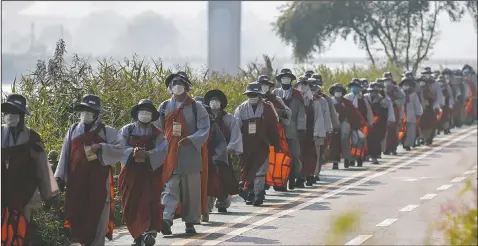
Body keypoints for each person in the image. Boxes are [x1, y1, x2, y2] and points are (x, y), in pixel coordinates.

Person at [54, 94, 125, 245]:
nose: (86, 113)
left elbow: (120, 149)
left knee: (98, 219)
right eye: (84, 110)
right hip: (76, 185)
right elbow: (64, 155)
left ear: (96, 113)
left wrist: (102, 147)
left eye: (90, 110)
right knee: (77, 220)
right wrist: (59, 178)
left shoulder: (107, 132)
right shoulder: (73, 130)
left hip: (98, 185)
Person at [156, 72, 210, 234]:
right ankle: (166, 219)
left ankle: (190, 222)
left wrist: (192, 139)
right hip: (170, 155)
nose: (177, 85)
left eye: (181, 83)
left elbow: (204, 129)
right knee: (169, 187)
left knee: (191, 191)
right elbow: (158, 130)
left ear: (187, 87)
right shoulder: (164, 107)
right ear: (170, 87)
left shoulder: (196, 107)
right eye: (174, 83)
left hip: (190, 155)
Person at [2, 94, 59, 246]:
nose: (10, 116)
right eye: (8, 111)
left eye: (15, 112)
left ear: (21, 115)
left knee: (22, 232)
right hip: (3, 194)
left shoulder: (32, 138)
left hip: (26, 194)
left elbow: (42, 168)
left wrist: (48, 195)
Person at [118, 99, 169, 246]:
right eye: (142, 112)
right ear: (137, 114)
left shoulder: (157, 133)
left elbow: (163, 149)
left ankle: (146, 233)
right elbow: (119, 146)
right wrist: (132, 152)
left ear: (152, 115)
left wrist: (148, 154)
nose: (145, 114)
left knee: (149, 202)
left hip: (149, 173)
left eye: (148, 112)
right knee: (130, 204)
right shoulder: (127, 130)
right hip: (130, 174)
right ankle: (137, 235)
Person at [234, 82, 281, 206]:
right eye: (250, 94)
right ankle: (249, 193)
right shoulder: (241, 109)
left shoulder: (267, 107)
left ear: (260, 95)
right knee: (247, 170)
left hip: (262, 144)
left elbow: (273, 127)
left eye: (255, 94)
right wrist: (236, 145)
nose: (252, 96)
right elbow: (236, 128)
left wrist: (276, 143)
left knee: (260, 170)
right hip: (246, 145)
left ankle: (258, 194)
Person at [193, 96, 232, 222]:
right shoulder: (188, 123)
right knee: (192, 187)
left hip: (208, 161)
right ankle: (195, 213)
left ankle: (205, 210)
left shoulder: (212, 124)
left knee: (208, 186)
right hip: (191, 159)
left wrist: (219, 158)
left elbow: (220, 143)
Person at [204, 89, 242, 213]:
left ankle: (223, 202)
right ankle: (206, 207)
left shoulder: (228, 118)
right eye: (212, 101)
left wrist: (230, 147)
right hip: (208, 152)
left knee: (224, 177)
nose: (214, 103)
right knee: (209, 179)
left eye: (217, 101)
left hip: (224, 152)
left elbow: (235, 134)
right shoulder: (204, 117)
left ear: (221, 103)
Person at [272, 70, 306, 190]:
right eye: (283, 78)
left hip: (293, 131)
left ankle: (293, 176)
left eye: (288, 78)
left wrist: (301, 128)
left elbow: (301, 113)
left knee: (294, 156)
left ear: (291, 80)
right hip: (278, 131)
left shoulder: (297, 94)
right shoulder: (275, 93)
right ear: (280, 79)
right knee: (279, 157)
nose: (285, 80)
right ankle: (279, 181)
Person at [257, 74, 292, 191]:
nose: (264, 87)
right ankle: (263, 183)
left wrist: (278, 112)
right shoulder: (253, 100)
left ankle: (279, 182)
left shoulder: (276, 99)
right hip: (259, 135)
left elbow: (287, 112)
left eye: (266, 85)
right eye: (262, 85)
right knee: (261, 158)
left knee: (278, 158)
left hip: (275, 133)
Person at [297, 77, 329, 185]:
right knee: (299, 155)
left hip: (311, 132)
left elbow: (319, 118)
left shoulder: (315, 102)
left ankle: (310, 175)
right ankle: (300, 177)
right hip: (299, 133)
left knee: (311, 154)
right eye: (301, 85)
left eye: (305, 85)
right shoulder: (297, 99)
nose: (303, 87)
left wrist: (317, 134)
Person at [328, 83, 366, 169]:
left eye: (339, 91)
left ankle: (347, 158)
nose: (338, 92)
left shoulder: (346, 102)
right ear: (333, 92)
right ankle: (335, 161)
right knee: (334, 141)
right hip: (333, 123)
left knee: (344, 138)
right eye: (336, 91)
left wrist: (359, 123)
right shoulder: (330, 101)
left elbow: (354, 113)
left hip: (345, 122)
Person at [311, 74, 340, 180]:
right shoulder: (303, 97)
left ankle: (315, 173)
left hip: (321, 130)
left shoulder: (325, 99)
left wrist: (333, 127)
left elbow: (330, 113)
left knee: (319, 152)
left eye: (318, 84)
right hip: (306, 130)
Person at [344, 79, 373, 167]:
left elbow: (368, 112)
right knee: (348, 142)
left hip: (361, 124)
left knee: (360, 142)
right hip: (349, 123)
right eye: (353, 86)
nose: (354, 88)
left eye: (356, 86)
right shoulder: (346, 98)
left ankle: (359, 158)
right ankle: (349, 159)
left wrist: (369, 122)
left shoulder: (364, 99)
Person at [363, 83, 395, 164]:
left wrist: (384, 97)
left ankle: (374, 156)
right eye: (371, 91)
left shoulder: (383, 99)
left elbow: (387, 106)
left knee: (376, 140)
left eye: (375, 91)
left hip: (379, 123)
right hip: (366, 121)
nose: (373, 93)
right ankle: (366, 155)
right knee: (366, 138)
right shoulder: (364, 97)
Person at [382, 72, 406, 155]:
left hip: (395, 111)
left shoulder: (396, 89)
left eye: (389, 80)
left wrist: (396, 102)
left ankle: (393, 148)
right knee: (385, 131)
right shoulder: (381, 89)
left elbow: (403, 99)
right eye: (386, 80)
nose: (387, 82)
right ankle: (385, 148)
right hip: (384, 112)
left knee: (394, 130)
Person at [398, 78, 423, 151]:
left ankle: (407, 145)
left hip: (411, 115)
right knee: (402, 130)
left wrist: (419, 113)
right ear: (402, 86)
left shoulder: (413, 94)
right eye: (404, 85)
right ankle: (402, 142)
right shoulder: (399, 93)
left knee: (410, 132)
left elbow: (417, 105)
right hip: (402, 116)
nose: (406, 86)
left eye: (407, 85)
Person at [418, 70, 442, 146]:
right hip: (420, 110)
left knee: (430, 124)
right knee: (421, 125)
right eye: (420, 81)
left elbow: (434, 98)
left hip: (429, 110)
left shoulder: (430, 88)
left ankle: (428, 138)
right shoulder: (417, 89)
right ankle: (422, 138)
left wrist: (431, 103)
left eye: (423, 81)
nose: (422, 83)